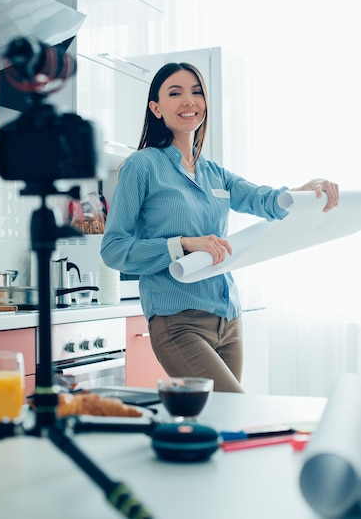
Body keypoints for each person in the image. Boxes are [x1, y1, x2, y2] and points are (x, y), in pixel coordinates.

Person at [100, 62, 339, 392]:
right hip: (178, 321)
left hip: (229, 319)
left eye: (197, 92)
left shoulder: (215, 173)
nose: (189, 100)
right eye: (175, 93)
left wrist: (305, 191)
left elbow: (265, 201)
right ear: (155, 108)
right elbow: (114, 249)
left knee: (223, 424)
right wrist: (182, 244)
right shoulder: (142, 167)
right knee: (237, 406)